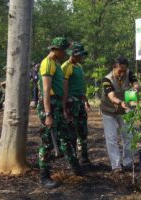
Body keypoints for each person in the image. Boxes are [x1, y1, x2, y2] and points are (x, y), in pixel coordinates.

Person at [37, 37, 82, 189]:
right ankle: (44, 176)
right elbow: (45, 90)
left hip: (57, 106)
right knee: (48, 141)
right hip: (49, 106)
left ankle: (76, 168)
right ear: (56, 49)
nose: (65, 54)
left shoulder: (56, 63)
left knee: (68, 136)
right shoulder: (47, 63)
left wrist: (63, 109)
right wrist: (48, 114)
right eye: (63, 51)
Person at [100, 56, 140, 173]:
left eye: (124, 70)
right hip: (109, 111)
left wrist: (135, 89)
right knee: (111, 138)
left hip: (125, 110)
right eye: (120, 70)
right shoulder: (107, 79)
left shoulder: (129, 73)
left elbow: (136, 85)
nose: (122, 73)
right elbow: (112, 96)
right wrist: (121, 102)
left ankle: (128, 163)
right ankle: (116, 166)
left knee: (129, 136)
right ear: (114, 67)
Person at [61, 42, 91, 166]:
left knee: (83, 130)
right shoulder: (66, 66)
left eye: (82, 55)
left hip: (80, 101)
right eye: (79, 55)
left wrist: (86, 100)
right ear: (73, 54)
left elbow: (81, 85)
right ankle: (73, 161)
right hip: (71, 103)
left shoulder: (79, 66)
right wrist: (64, 107)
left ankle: (84, 158)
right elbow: (64, 87)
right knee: (72, 132)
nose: (81, 57)